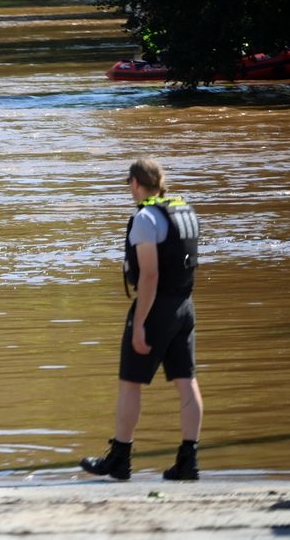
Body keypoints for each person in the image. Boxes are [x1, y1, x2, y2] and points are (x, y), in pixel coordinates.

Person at [80, 157, 203, 481]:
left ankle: (120, 459)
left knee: (130, 384)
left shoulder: (146, 218)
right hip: (185, 305)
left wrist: (140, 325)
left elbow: (149, 276)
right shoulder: (183, 209)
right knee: (186, 382)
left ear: (136, 183)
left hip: (156, 308)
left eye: (129, 185)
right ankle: (188, 461)